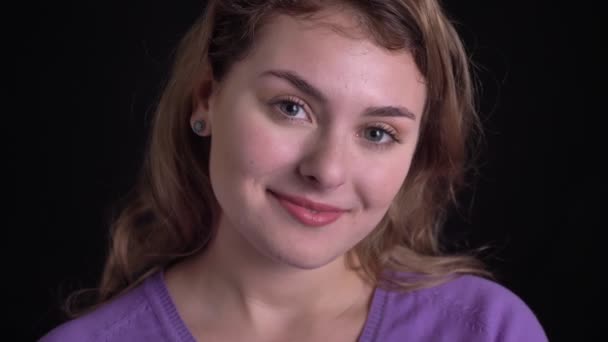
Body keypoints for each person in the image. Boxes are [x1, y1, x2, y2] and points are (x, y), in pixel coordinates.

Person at [40, 0, 548, 341]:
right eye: (290, 107)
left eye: (377, 133)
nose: (326, 171)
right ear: (207, 100)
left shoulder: (486, 330)